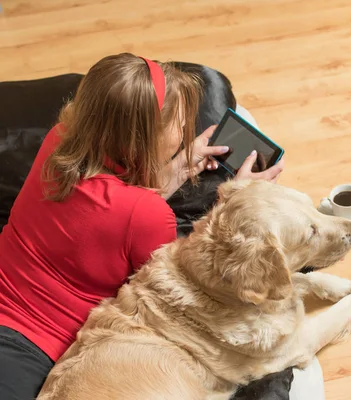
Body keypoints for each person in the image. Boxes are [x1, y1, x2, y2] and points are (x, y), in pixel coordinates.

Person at [0, 52, 285, 400]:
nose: (184, 132)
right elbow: (174, 296)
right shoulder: (147, 215)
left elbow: (106, 211)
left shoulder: (58, 140)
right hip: (29, 349)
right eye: (179, 126)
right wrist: (238, 200)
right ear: (142, 139)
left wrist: (178, 169)